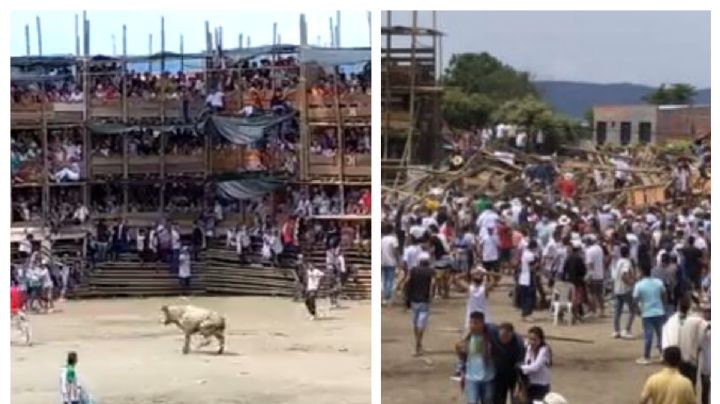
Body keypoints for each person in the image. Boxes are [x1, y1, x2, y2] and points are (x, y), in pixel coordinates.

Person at [661, 294, 709, 388]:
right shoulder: (696, 321)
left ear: (678, 307)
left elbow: (665, 341)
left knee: (676, 386)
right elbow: (706, 329)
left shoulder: (670, 321)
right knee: (690, 386)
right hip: (690, 359)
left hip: (673, 360)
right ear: (690, 308)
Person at [456, 311, 496, 404]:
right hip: (471, 378)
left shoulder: (490, 338)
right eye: (471, 322)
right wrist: (461, 372)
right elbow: (461, 356)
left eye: (476, 323)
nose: (472, 325)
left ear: (482, 323)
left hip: (488, 378)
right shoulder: (467, 339)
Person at [633, 263, 666, 365]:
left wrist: (637, 309)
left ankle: (646, 357)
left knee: (648, 336)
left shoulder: (639, 285)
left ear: (641, 272)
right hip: (659, 312)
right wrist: (662, 304)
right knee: (661, 335)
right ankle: (663, 355)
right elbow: (664, 294)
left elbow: (635, 299)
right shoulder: (658, 282)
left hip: (647, 313)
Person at [405, 253, 435, 356]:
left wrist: (406, 294)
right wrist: (431, 295)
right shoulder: (431, 271)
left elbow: (407, 281)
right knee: (421, 324)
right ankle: (418, 345)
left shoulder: (413, 270)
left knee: (415, 323)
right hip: (424, 300)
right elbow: (433, 284)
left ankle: (418, 344)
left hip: (414, 300)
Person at [491, 323, 525, 404]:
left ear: (511, 334)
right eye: (501, 336)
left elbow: (521, 364)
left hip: (514, 375)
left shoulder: (518, 343)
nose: (503, 339)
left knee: (517, 400)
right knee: (498, 400)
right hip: (499, 376)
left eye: (506, 336)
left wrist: (519, 382)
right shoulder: (493, 333)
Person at [520, 326, 552, 401]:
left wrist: (521, 367)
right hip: (529, 384)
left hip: (541, 385)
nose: (532, 342)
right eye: (530, 339)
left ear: (540, 339)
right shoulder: (527, 346)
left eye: (535, 339)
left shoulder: (544, 350)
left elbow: (535, 367)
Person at [612, 245, 636, 338]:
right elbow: (624, 274)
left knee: (617, 311)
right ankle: (626, 329)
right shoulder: (626, 262)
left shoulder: (618, 262)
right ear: (628, 253)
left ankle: (616, 330)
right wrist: (631, 283)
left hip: (617, 288)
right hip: (625, 289)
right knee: (632, 310)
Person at [518, 240, 539, 322]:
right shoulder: (530, 255)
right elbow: (532, 267)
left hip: (523, 277)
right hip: (528, 278)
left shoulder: (524, 253)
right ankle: (527, 314)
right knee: (529, 297)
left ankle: (525, 313)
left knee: (525, 297)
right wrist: (538, 264)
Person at [381, 223, 400, 305]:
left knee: (384, 279)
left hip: (383, 261)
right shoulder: (393, 239)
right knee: (390, 280)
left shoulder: (382, 239)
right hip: (391, 261)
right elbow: (396, 251)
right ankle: (387, 297)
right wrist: (398, 260)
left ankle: (384, 297)